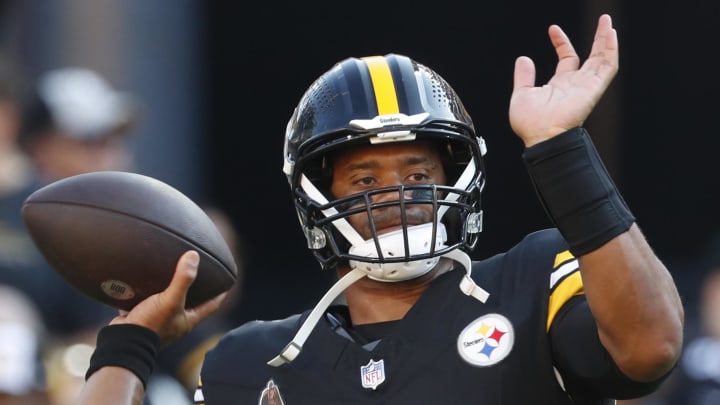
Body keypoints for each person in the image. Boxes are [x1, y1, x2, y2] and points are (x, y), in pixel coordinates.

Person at [76, 14, 684, 404]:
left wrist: (561, 152)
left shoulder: (531, 276)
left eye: (418, 173)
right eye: (365, 177)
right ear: (319, 199)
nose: (398, 194)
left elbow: (649, 347)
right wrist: (130, 342)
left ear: (457, 181)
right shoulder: (250, 360)